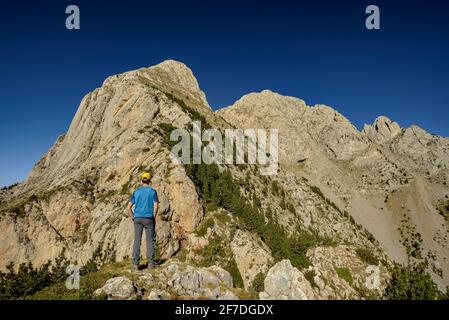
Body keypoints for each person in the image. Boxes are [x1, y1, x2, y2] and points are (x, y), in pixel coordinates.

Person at [127, 172, 159, 269]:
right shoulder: (153, 192)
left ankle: (135, 263)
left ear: (141, 180)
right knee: (149, 241)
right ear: (150, 181)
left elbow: (128, 207)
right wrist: (154, 216)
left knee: (137, 240)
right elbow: (156, 206)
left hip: (137, 218)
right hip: (149, 218)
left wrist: (133, 217)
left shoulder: (136, 192)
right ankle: (151, 263)